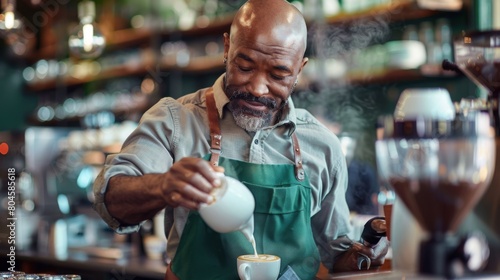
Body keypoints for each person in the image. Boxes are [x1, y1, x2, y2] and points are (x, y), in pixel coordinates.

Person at [92, 0, 389, 279]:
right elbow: (112, 203)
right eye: (245, 66)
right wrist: (162, 186)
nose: (258, 88)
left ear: (299, 70)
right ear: (227, 48)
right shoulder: (175, 121)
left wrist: (364, 256)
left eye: (279, 74)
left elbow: (334, 256)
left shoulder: (322, 146)